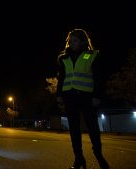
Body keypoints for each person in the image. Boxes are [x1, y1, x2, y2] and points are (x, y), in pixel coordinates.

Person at [56, 28, 109, 169]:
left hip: (87, 97)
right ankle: (78, 159)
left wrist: (97, 96)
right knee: (74, 129)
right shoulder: (64, 58)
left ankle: (99, 155)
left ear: (83, 41)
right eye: (70, 41)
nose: (71, 43)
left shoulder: (92, 56)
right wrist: (59, 95)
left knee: (93, 127)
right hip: (69, 97)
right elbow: (61, 78)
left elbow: (98, 78)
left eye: (75, 40)